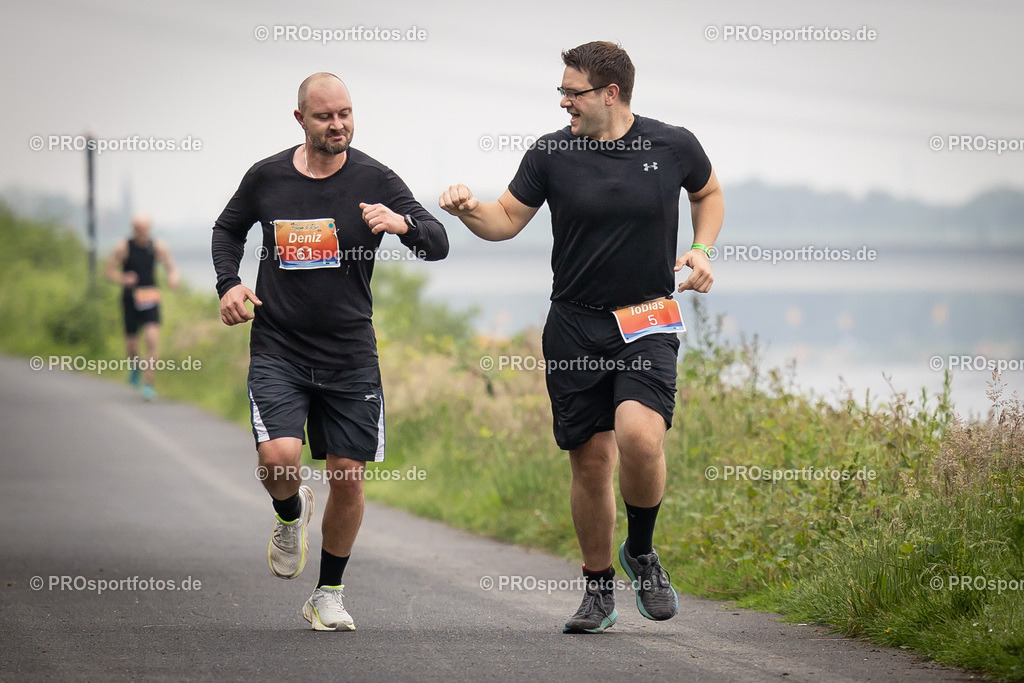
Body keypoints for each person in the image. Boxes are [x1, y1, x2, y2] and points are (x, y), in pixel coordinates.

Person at [440, 41, 724, 634]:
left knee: (640, 437)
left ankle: (641, 553)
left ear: (611, 93)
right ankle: (598, 588)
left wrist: (700, 249)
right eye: (562, 92)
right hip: (573, 324)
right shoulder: (552, 152)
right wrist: (468, 209)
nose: (564, 102)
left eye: (574, 92)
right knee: (591, 463)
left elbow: (708, 193)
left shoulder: (672, 144)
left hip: (647, 316)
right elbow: (506, 220)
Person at [212, 72, 449, 631]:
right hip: (279, 347)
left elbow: (437, 242)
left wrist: (404, 224)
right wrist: (229, 282)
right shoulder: (267, 176)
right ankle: (289, 512)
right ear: (301, 120)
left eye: (345, 113)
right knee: (279, 460)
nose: (338, 124)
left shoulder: (374, 177)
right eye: (325, 116)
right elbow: (228, 230)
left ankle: (328, 592)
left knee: (347, 474)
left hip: (349, 355)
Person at [104, 213, 180, 401]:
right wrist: (123, 279)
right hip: (130, 299)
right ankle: (135, 367)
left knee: (152, 340)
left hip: (150, 297)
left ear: (149, 229)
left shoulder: (157, 246)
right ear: (133, 229)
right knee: (132, 344)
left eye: (144, 229)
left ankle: (148, 384)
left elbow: (171, 267)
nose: (141, 233)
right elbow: (109, 271)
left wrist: (172, 277)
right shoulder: (124, 247)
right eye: (138, 229)